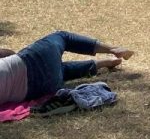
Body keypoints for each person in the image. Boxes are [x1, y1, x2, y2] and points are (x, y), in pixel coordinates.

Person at [0, 31, 134, 106]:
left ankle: (104, 63)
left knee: (60, 71)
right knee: (62, 37)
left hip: (41, 89)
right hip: (32, 63)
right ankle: (113, 49)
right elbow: (8, 54)